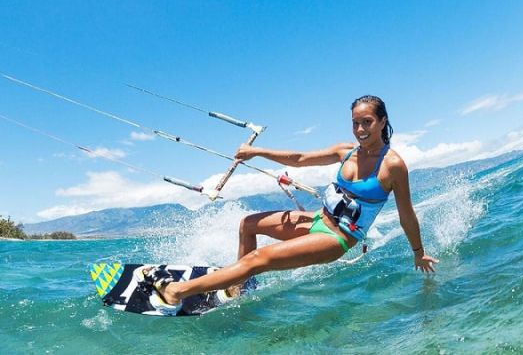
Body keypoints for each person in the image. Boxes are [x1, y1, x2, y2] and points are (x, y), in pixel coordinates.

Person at [143, 95, 439, 311]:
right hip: (317, 220)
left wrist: (418, 253)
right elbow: (299, 159)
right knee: (248, 225)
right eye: (355, 123)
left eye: (367, 122)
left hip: (336, 238)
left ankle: (177, 292)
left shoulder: (393, 165)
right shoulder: (346, 151)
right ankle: (237, 286)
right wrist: (257, 151)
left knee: (258, 260)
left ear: (383, 121)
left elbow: (407, 215)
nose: (361, 129)